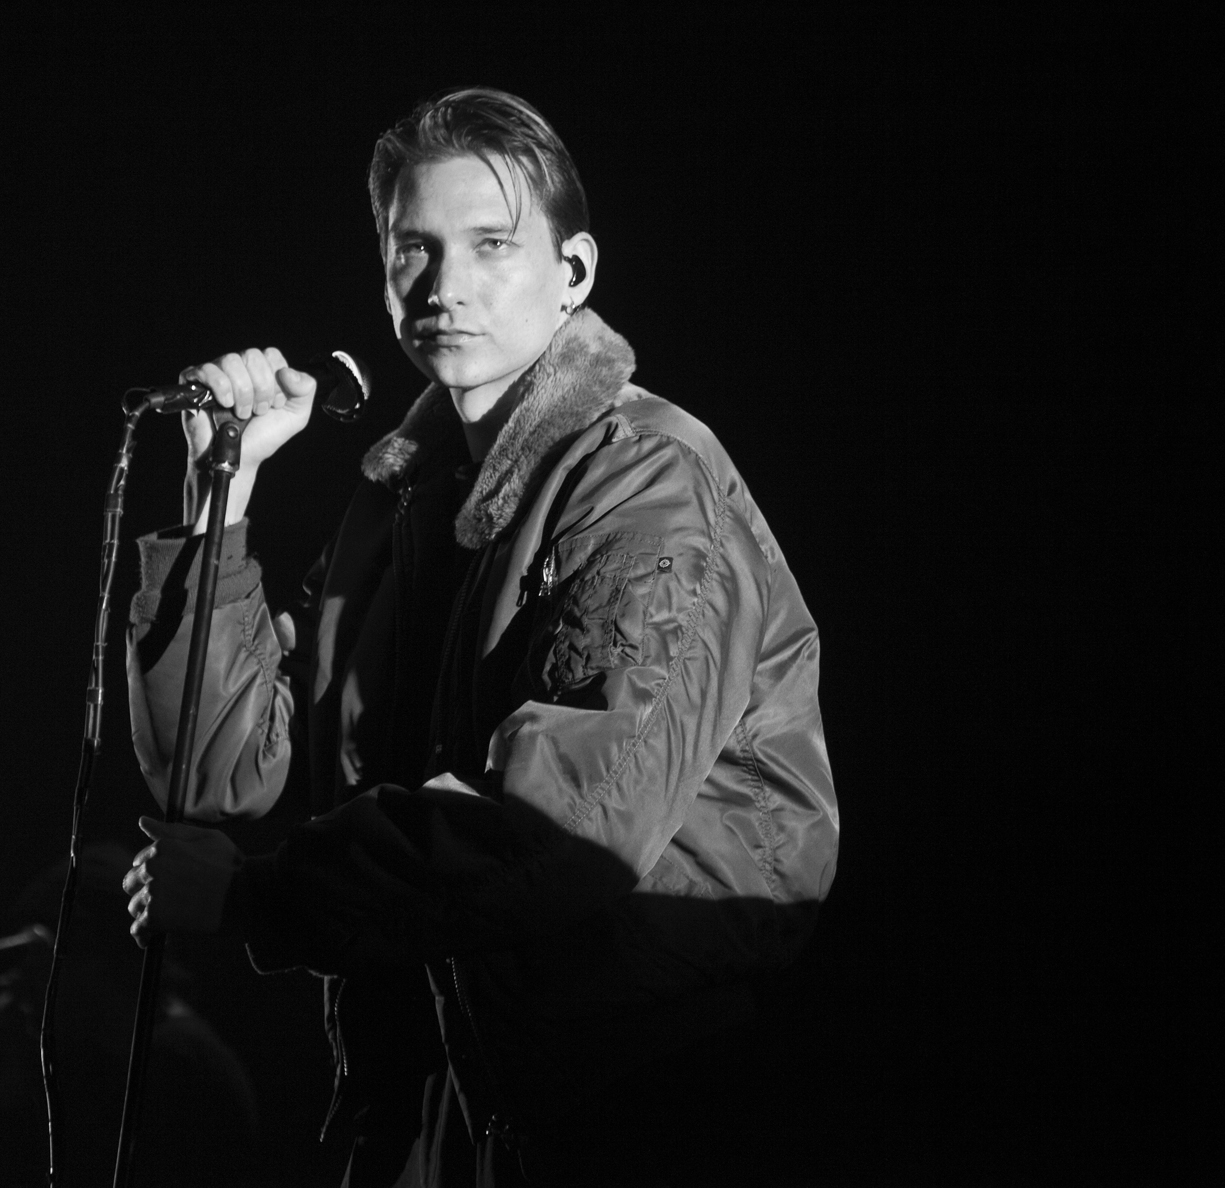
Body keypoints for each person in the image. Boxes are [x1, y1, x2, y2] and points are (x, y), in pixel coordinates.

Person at [120, 88, 837, 1186]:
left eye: (491, 245)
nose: (445, 286)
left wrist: (259, 897)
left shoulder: (645, 482)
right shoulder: (403, 499)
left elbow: (564, 832)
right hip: (446, 1092)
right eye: (414, 247)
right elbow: (217, 772)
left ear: (574, 272)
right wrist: (221, 487)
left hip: (642, 1098)